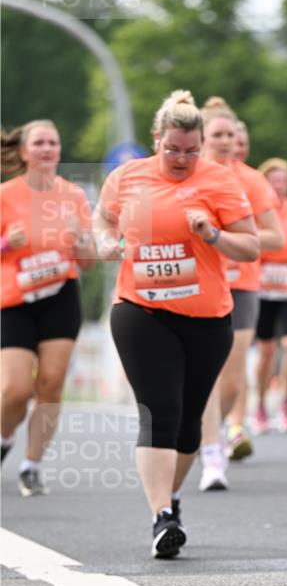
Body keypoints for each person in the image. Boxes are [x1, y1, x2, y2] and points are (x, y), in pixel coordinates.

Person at [93, 90, 258, 558]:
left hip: (207, 318)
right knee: (158, 409)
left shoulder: (220, 182)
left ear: (202, 144)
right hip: (140, 310)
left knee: (188, 425)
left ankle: (172, 499)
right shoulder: (128, 178)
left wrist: (212, 234)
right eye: (172, 150)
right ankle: (161, 516)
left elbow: (250, 248)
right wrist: (104, 243)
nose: (182, 158)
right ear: (156, 141)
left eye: (191, 150)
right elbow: (101, 222)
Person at [1, 119, 94, 495]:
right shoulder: (5, 195)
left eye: (53, 142)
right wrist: (7, 243)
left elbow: (88, 260)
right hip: (15, 300)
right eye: (39, 142)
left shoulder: (73, 195)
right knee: (16, 388)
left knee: (51, 384)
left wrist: (78, 241)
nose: (47, 149)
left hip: (60, 295)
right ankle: (5, 437)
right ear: (24, 152)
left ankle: (31, 465)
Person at [197, 97, 283, 491]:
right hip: (196, 285)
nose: (227, 140)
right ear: (202, 137)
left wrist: (223, 238)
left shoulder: (251, 180)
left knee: (232, 379)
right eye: (218, 134)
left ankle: (210, 429)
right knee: (206, 375)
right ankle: (212, 456)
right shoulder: (189, 176)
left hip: (242, 284)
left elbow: (275, 236)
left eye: (232, 134)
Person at [253, 158, 287, 433]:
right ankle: (261, 405)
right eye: (273, 181)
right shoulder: (258, 212)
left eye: (283, 181)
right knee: (266, 350)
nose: (278, 186)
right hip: (262, 284)